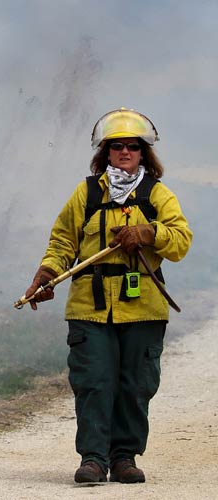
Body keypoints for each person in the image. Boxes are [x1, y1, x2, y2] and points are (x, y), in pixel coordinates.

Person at [24, 108, 192, 483]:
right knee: (94, 382)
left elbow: (180, 241)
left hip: (144, 307)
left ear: (144, 153)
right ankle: (94, 460)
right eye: (117, 146)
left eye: (133, 146)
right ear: (105, 152)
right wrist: (48, 272)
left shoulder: (158, 195)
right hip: (89, 305)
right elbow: (63, 239)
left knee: (136, 386)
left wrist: (149, 234)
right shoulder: (85, 193)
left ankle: (124, 458)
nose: (125, 152)